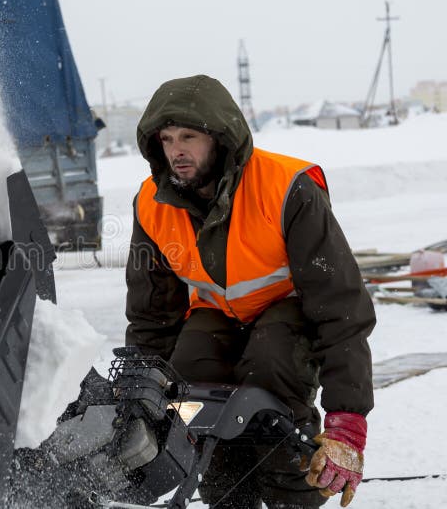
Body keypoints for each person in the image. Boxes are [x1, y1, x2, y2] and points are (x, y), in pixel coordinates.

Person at [125, 75, 374, 509]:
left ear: (220, 138)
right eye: (166, 139)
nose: (176, 150)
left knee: (269, 366)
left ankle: (291, 499)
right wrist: (144, 393)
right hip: (218, 315)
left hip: (289, 311)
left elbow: (340, 305)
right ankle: (227, 497)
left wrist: (347, 422)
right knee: (187, 382)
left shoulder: (288, 187)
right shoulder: (151, 203)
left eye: (189, 137)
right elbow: (152, 313)